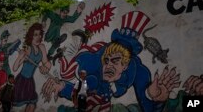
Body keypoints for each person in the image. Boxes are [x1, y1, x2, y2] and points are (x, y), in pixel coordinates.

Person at [41, 11, 181, 112]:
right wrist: (62, 87)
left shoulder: (137, 72)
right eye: (106, 60)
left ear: (125, 65)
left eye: (115, 61)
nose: (108, 65)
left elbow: (148, 107)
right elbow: (81, 90)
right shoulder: (95, 68)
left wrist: (154, 98)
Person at [13, 23, 52, 112]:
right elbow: (15, 68)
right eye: (35, 35)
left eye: (39, 34)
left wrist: (46, 68)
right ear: (31, 36)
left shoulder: (42, 47)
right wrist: (20, 56)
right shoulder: (27, 49)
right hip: (21, 81)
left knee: (32, 104)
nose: (38, 37)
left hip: (30, 81)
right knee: (11, 105)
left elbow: (46, 62)